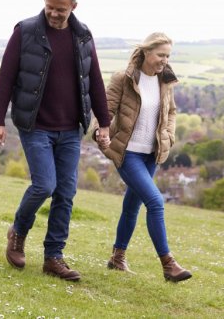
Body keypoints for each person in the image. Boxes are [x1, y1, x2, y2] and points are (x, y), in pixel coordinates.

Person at [0, 0, 111, 281]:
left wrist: (104, 122)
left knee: (66, 192)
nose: (54, 14)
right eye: (49, 7)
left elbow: (94, 80)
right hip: (35, 124)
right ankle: (18, 232)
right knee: (45, 185)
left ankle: (53, 257)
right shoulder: (26, 31)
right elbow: (5, 78)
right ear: (44, 2)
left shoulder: (82, 36)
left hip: (70, 128)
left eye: (61, 9)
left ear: (73, 7)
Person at [93, 32, 192, 282]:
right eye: (161, 55)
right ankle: (168, 264)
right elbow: (106, 110)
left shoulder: (165, 81)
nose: (164, 60)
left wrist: (168, 135)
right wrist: (99, 131)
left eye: (168, 55)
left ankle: (117, 258)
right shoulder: (124, 78)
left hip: (152, 154)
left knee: (132, 206)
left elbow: (171, 112)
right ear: (146, 53)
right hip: (128, 153)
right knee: (155, 202)